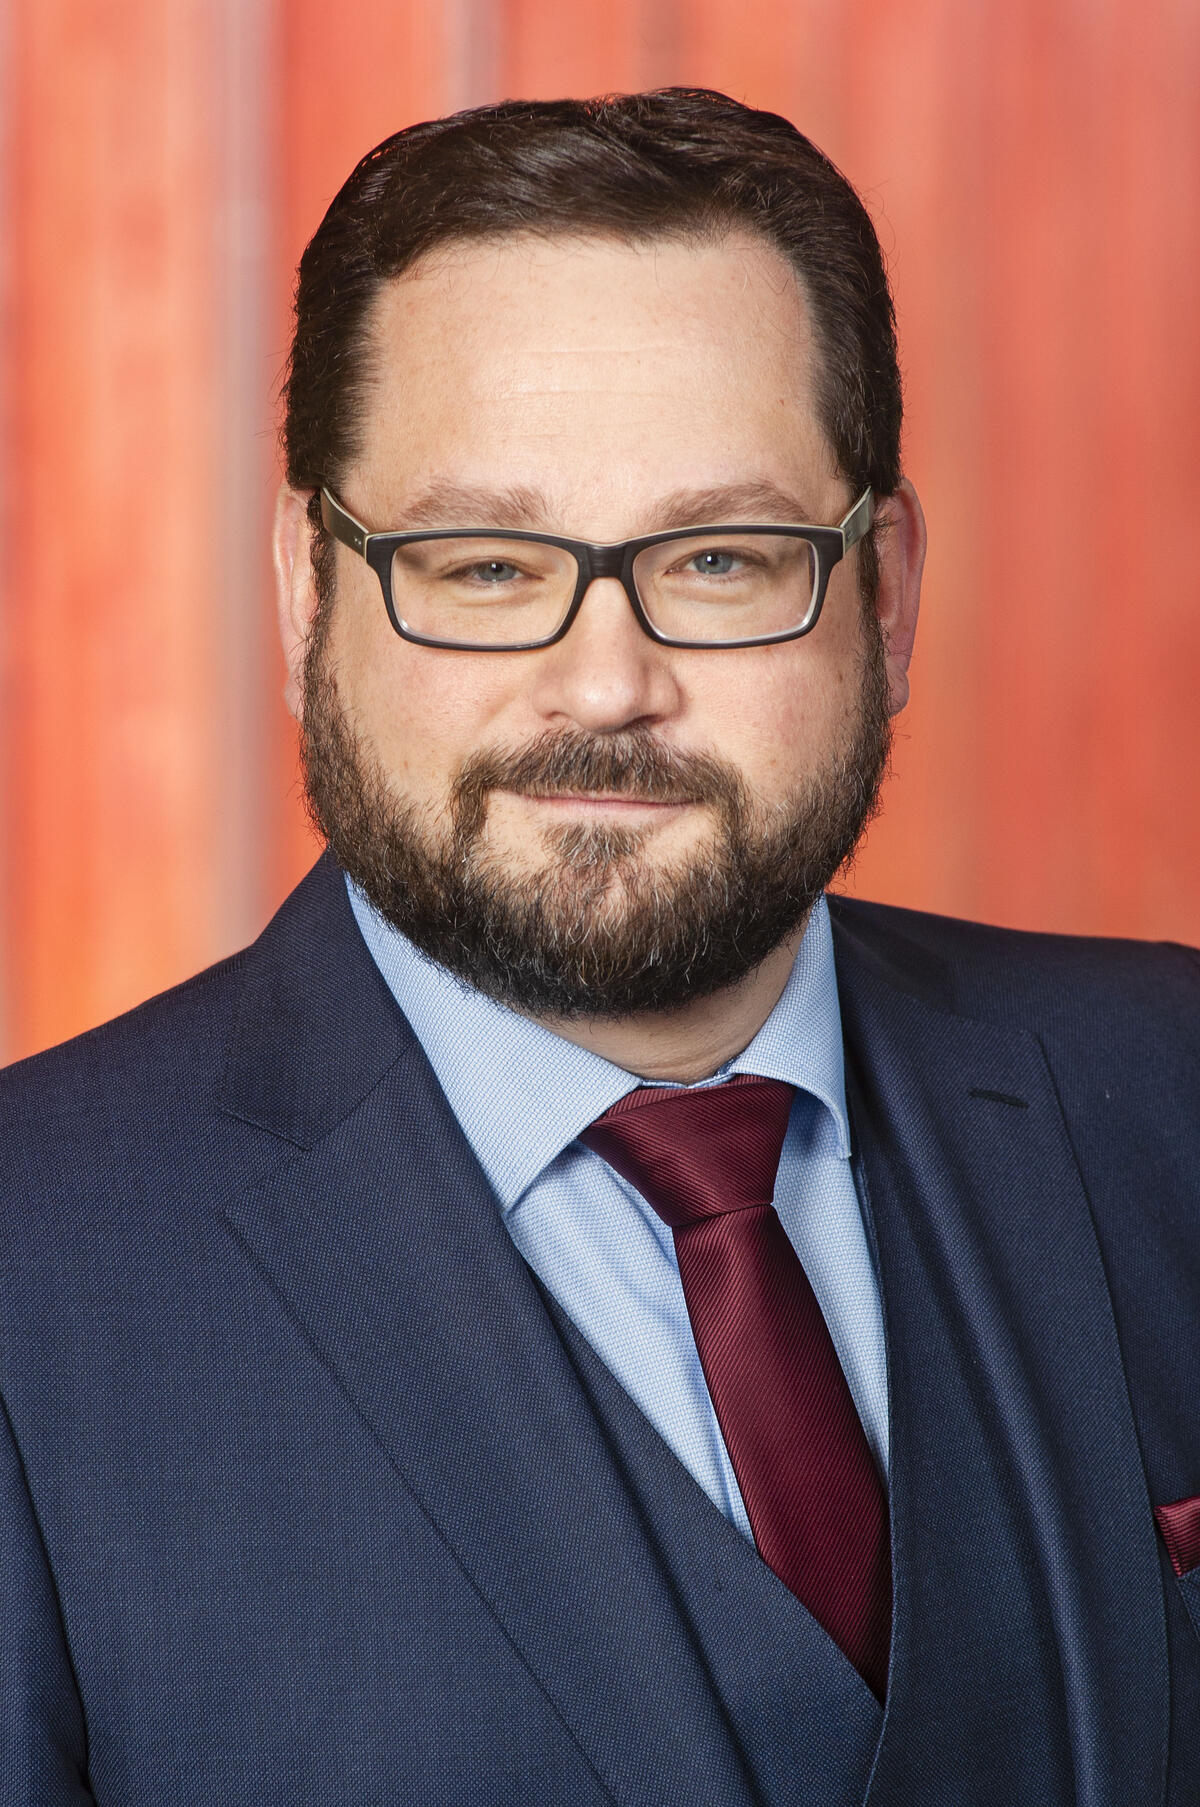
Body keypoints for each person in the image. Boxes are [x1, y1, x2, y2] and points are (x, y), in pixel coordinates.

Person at [1, 88, 1197, 1807]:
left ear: (888, 596)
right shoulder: (30, 1275)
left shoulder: (1171, 1086)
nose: (605, 684)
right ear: (306, 594)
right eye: (486, 566)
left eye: (719, 557)